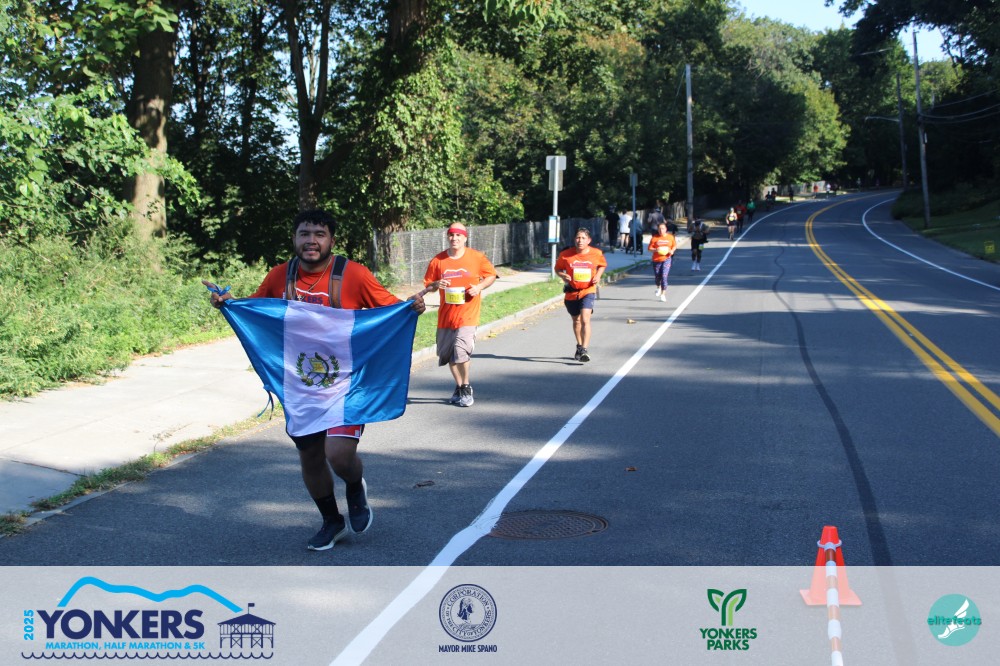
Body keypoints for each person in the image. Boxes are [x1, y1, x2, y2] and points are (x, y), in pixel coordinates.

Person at [202, 209, 427, 552]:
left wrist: (411, 307)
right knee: (310, 457)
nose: (311, 241)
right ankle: (331, 521)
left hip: (348, 384)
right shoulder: (280, 276)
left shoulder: (354, 274)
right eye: (304, 234)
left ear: (331, 240)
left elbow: (391, 310)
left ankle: (354, 484)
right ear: (294, 239)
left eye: (319, 234)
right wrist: (228, 304)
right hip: (301, 385)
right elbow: (255, 312)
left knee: (338, 454)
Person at [423, 222, 497, 408]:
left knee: (460, 350)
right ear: (448, 237)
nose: (454, 238)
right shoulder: (438, 260)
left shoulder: (476, 257)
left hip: (468, 314)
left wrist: (479, 287)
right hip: (446, 316)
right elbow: (429, 285)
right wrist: (436, 284)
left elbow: (491, 275)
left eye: (458, 235)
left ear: (465, 237)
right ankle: (459, 386)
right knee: (448, 354)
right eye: (451, 235)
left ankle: (466, 386)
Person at [555, 228, 607, 362]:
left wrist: (598, 275)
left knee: (585, 319)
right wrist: (562, 275)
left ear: (589, 240)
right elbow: (557, 268)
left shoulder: (596, 253)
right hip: (572, 292)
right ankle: (579, 345)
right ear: (574, 239)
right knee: (576, 321)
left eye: (583, 238)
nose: (580, 240)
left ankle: (584, 349)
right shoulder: (566, 254)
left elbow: (602, 265)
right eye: (578, 238)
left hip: (588, 290)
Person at [648, 221, 676, 302]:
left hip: (666, 259)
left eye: (663, 229)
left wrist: (672, 251)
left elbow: (674, 246)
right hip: (656, 260)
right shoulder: (655, 238)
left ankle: (663, 294)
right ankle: (658, 287)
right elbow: (649, 248)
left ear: (666, 229)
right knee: (657, 277)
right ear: (658, 230)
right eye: (659, 229)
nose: (661, 230)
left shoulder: (670, 237)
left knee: (664, 276)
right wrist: (656, 249)